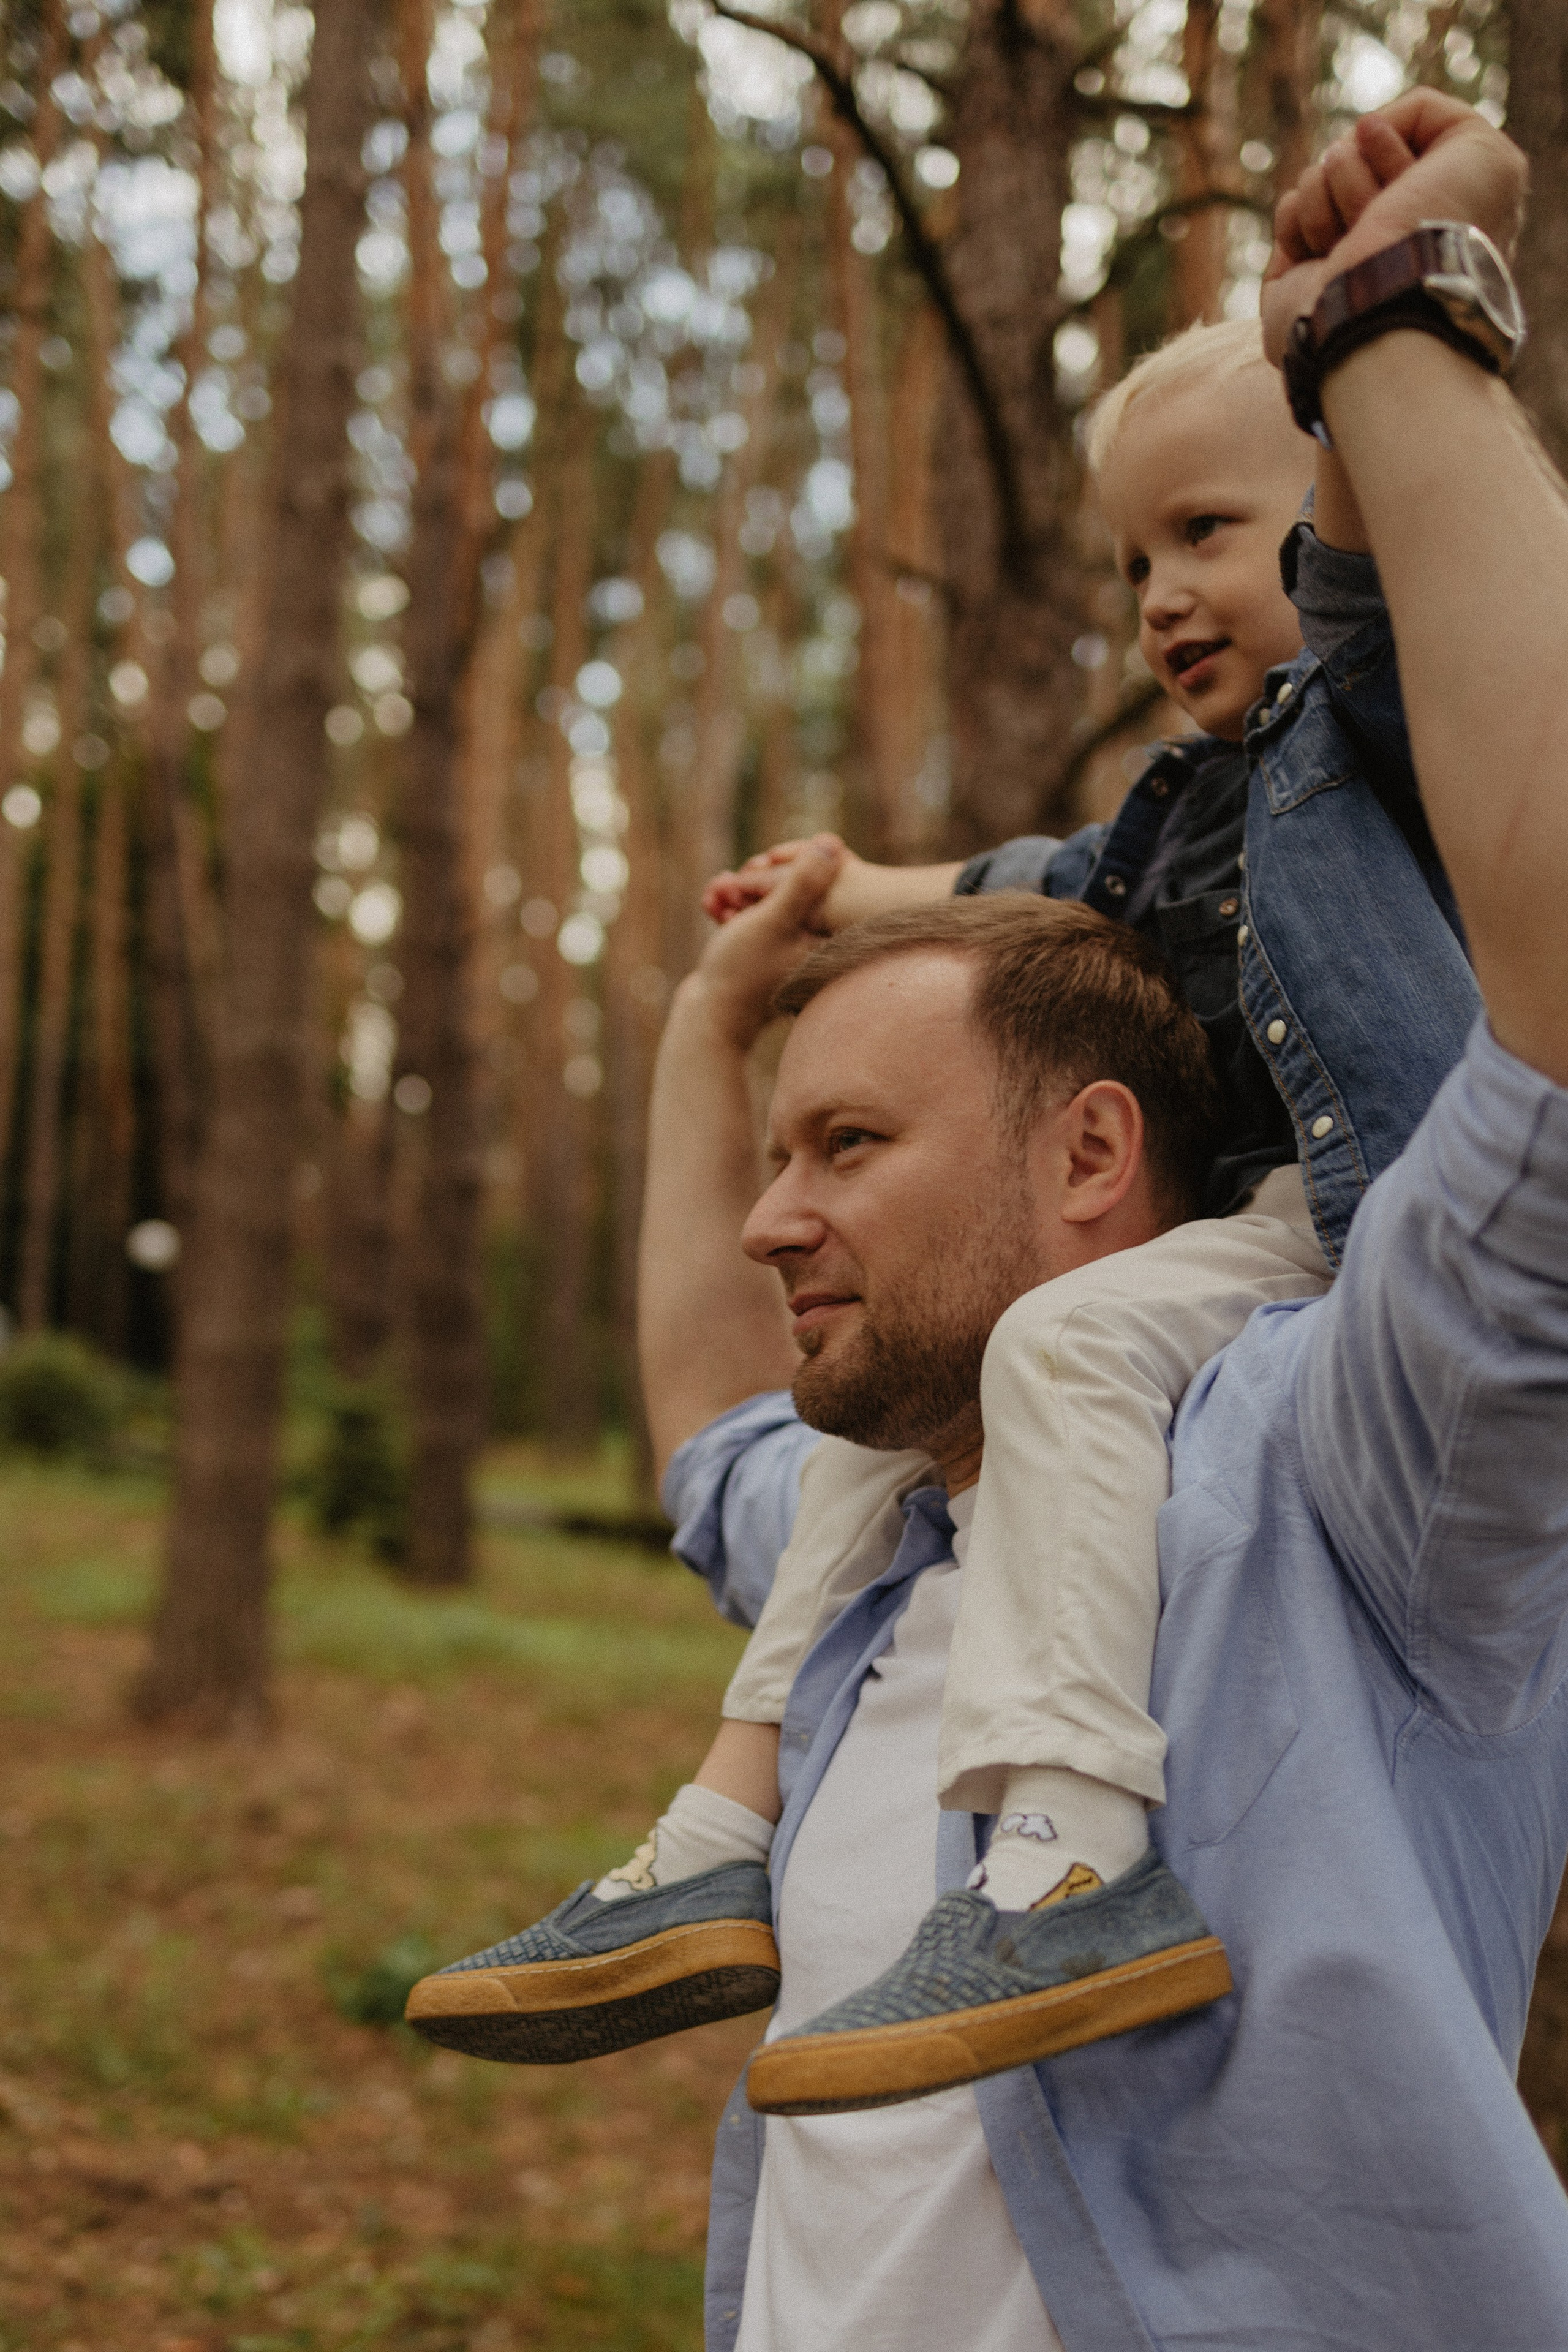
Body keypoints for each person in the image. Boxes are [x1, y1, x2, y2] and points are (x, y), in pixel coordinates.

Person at [426, 91, 1568, 2350]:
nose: (776, 1223)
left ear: (1089, 1156)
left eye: (844, 1150)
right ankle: (705, 1846)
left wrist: (1401, 328)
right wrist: (713, 1018)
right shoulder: (877, 1537)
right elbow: (704, 1436)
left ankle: (1070, 1864)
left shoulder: (1347, 1469)